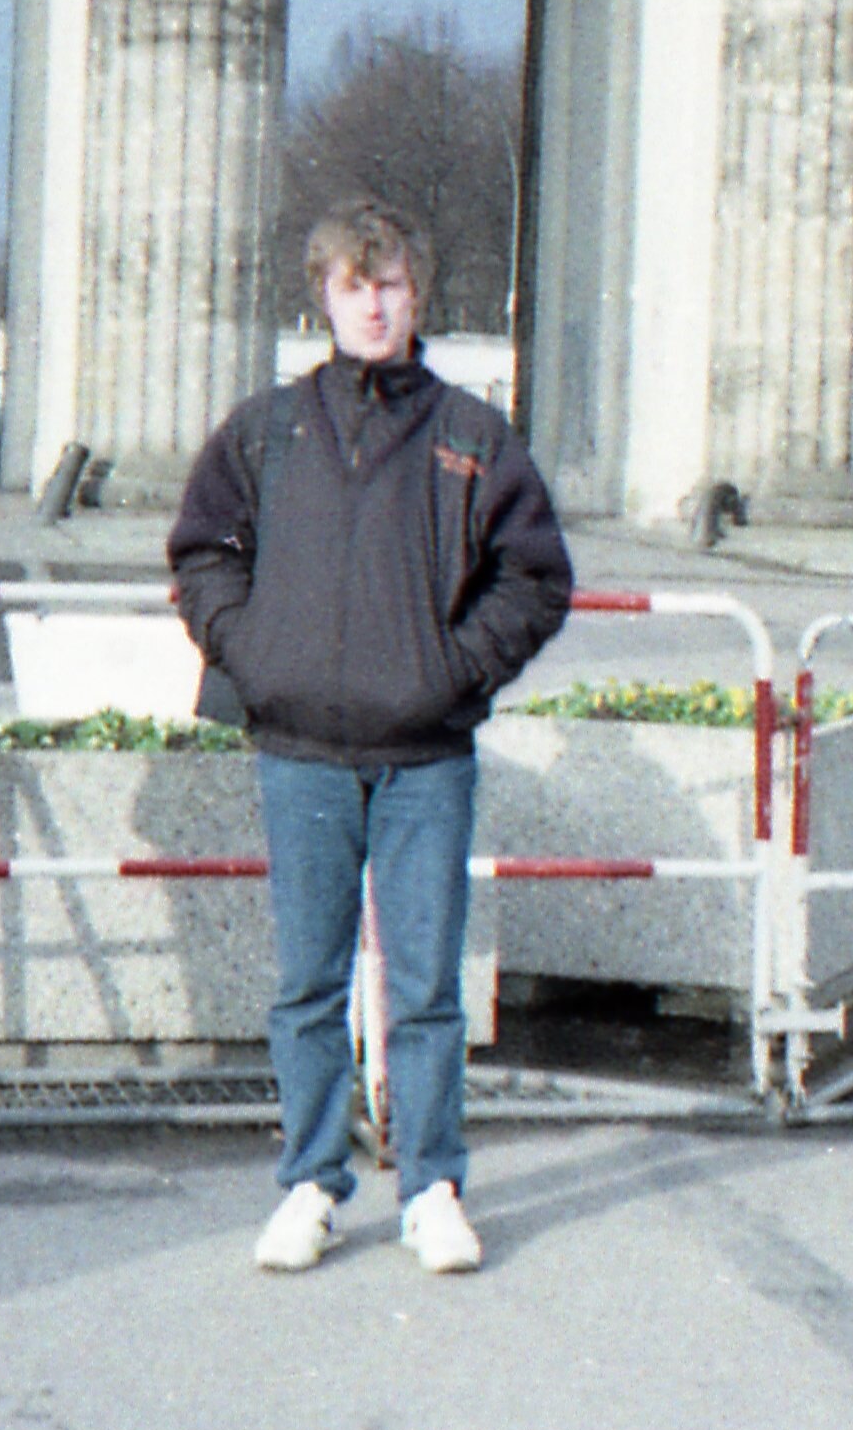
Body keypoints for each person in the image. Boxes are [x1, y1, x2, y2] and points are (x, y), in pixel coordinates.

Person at [169, 198, 573, 1276]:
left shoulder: (470, 436)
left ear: (417, 295)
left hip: (424, 759)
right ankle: (309, 1183)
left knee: (426, 987)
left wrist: (451, 670)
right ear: (325, 297)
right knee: (307, 984)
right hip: (299, 753)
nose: (374, 306)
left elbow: (535, 576)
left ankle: (431, 1187)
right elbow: (202, 551)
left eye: (390, 283)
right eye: (355, 285)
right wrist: (254, 653)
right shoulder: (267, 431)